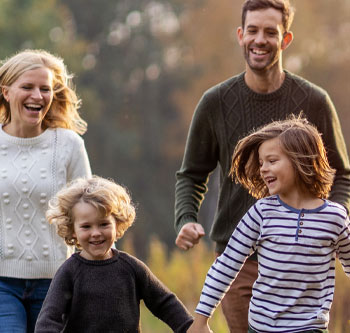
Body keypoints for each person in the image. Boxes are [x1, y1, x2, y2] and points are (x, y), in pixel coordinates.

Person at [174, 0, 350, 331]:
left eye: (270, 32)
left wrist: (328, 222)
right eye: (252, 30)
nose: (259, 39)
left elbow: (342, 174)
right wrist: (186, 218)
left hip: (303, 259)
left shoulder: (314, 101)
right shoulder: (215, 102)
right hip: (238, 257)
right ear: (240, 36)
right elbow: (192, 174)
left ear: (285, 40)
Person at [188, 116, 350, 333]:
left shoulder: (334, 217)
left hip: (310, 328)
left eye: (272, 161)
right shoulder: (262, 213)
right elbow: (226, 265)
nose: (263, 169)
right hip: (262, 329)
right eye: (261, 162)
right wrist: (200, 319)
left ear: (301, 160)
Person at [0, 49, 92, 333]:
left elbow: (90, 208)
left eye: (45, 89)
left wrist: (103, 270)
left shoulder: (68, 145)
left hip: (58, 281)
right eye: (27, 87)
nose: (37, 96)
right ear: (6, 92)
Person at [34, 176, 193, 332]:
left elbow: (164, 302)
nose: (96, 233)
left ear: (117, 224)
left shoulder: (131, 267)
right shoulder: (69, 272)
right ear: (73, 230)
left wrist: (190, 328)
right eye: (86, 227)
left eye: (103, 224)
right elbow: (49, 318)